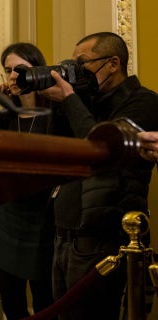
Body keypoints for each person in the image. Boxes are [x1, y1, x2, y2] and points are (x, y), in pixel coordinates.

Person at [41, 32, 158, 319]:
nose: (77, 72)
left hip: (102, 238)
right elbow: (57, 152)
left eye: (83, 64)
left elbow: (103, 150)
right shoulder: (85, 102)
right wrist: (61, 104)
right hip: (64, 233)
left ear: (113, 63)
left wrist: (69, 99)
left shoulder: (145, 101)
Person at [0, 43, 55, 319]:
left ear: (37, 70)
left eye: (21, 70)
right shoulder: (4, 116)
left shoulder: (56, 112)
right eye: (8, 71)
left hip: (43, 217)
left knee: (45, 300)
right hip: (8, 214)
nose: (13, 76)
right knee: (11, 300)